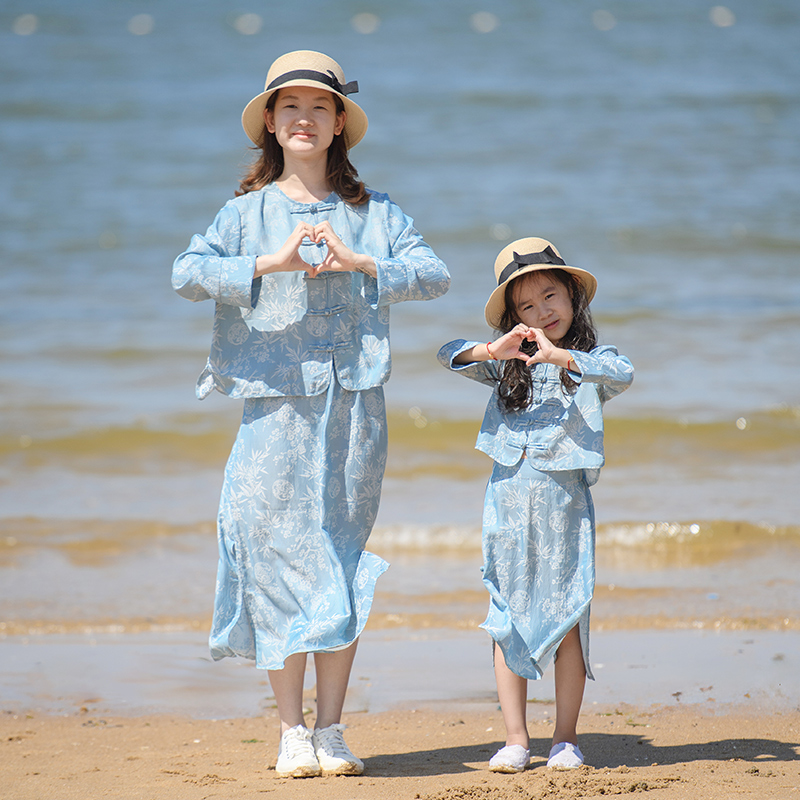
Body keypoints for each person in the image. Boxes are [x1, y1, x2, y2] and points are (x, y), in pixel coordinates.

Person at [172, 50, 450, 779]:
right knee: (270, 557)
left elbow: (433, 274)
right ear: (270, 121)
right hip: (272, 411)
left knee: (339, 561)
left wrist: (362, 263)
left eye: (319, 108)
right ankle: (290, 730)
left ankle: (331, 729)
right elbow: (187, 273)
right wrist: (270, 264)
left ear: (338, 126)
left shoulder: (375, 212)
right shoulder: (244, 213)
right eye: (290, 106)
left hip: (356, 409)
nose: (304, 118)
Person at [437, 237, 632, 773]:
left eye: (551, 296)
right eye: (527, 306)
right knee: (506, 618)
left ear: (573, 297)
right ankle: (516, 738)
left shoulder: (590, 363)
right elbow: (447, 353)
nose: (542, 311)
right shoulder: (506, 363)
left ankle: (565, 738)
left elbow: (624, 372)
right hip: (507, 506)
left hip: (567, 509)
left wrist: (562, 356)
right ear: (512, 319)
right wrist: (490, 350)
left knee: (570, 616)